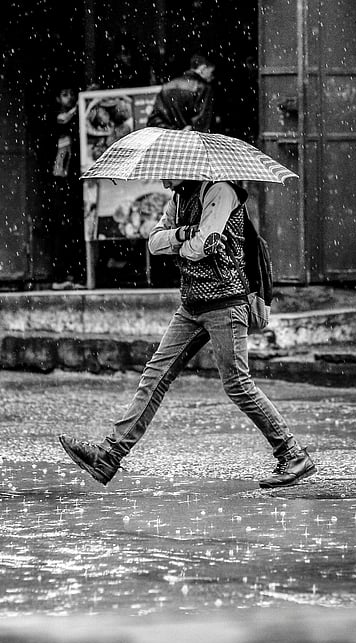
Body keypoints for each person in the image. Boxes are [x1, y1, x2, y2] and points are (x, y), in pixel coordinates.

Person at [58, 179, 317, 489]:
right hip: (192, 305)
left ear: (186, 168)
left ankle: (292, 455)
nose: (164, 180)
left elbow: (202, 245)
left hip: (225, 303)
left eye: (168, 172)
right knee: (155, 375)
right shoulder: (179, 198)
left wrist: (187, 241)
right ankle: (109, 456)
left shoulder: (221, 191)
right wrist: (183, 234)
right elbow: (154, 243)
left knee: (237, 384)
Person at [146, 53, 216, 132]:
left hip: (169, 139)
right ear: (203, 69)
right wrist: (189, 130)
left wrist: (172, 130)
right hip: (190, 140)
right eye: (212, 72)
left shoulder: (167, 86)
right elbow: (202, 122)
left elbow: (154, 119)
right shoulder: (203, 88)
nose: (212, 77)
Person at [52, 87, 77, 177]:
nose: (70, 97)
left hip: (73, 146)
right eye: (65, 95)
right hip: (62, 144)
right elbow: (63, 118)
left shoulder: (76, 113)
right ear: (58, 99)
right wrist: (76, 108)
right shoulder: (57, 112)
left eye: (71, 94)